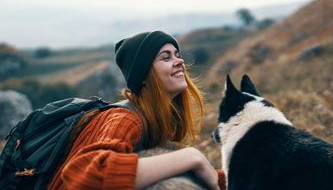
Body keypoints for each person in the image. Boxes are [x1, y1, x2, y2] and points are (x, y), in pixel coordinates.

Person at [48, 31, 225, 190]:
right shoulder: (122, 118)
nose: (180, 61)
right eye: (166, 57)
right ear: (143, 76)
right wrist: (191, 157)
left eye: (177, 55)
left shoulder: (159, 119)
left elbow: (177, 174)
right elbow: (85, 174)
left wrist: (237, 177)